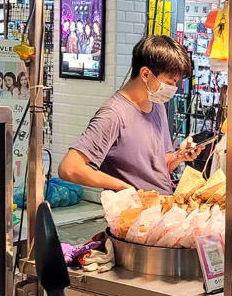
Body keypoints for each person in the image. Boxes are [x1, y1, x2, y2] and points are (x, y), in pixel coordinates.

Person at [59, 36, 203, 194]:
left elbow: (159, 165)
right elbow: (69, 168)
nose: (173, 89)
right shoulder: (113, 114)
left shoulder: (158, 105)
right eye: (169, 83)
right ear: (146, 74)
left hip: (161, 209)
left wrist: (180, 156)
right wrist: (124, 187)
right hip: (132, 214)